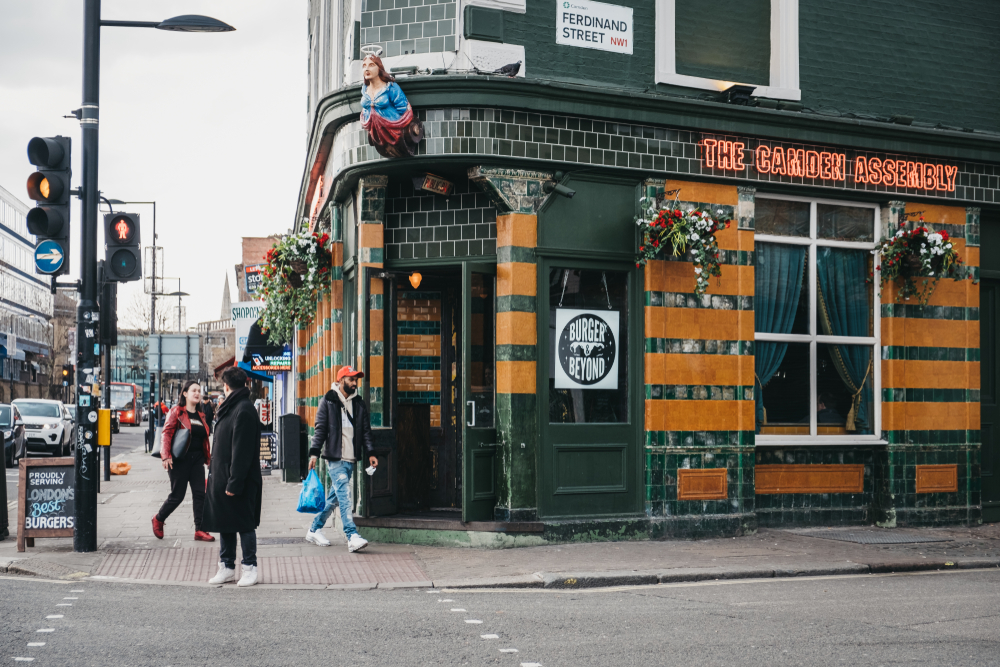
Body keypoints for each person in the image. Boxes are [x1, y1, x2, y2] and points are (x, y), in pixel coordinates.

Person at [305, 366, 378, 552]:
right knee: (345, 497)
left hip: (351, 459)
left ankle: (314, 529)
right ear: (341, 380)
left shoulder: (359, 403)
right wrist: (314, 453)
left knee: (334, 498)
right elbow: (320, 429)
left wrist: (371, 453)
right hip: (335, 458)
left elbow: (366, 432)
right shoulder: (328, 401)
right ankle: (352, 535)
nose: (355, 383)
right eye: (351, 379)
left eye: (356, 380)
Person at [201, 367, 262, 587]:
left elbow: (242, 451)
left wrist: (235, 481)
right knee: (225, 522)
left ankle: (249, 568)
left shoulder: (243, 410)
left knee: (244, 524)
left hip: (238, 479)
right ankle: (226, 567)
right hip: (223, 476)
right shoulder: (231, 407)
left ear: (227, 386)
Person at [152, 381, 214, 542]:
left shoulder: (201, 415)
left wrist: (208, 459)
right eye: (193, 390)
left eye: (199, 391)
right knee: (177, 495)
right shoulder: (176, 412)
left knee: (200, 494)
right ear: (185, 393)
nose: (197, 393)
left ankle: (200, 529)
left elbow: (204, 440)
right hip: (180, 459)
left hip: (197, 460)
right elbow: (166, 433)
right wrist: (165, 456)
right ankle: (158, 518)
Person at [359, 52, 422, 157]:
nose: (367, 69)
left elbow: (402, 107)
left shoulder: (391, 87)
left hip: (394, 127)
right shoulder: (364, 90)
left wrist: (393, 122)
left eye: (371, 65)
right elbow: (366, 111)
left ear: (379, 68)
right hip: (376, 132)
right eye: (364, 66)